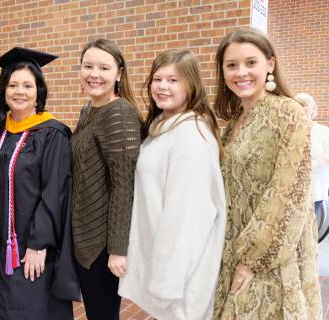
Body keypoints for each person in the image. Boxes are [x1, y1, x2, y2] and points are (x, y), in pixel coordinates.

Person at [213, 28, 323, 319]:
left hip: (271, 259)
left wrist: (252, 260)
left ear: (270, 65)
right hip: (232, 250)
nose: (241, 73)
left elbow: (288, 194)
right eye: (231, 65)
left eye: (251, 63)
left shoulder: (287, 113)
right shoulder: (236, 119)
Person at [118, 49, 226, 320]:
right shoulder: (164, 127)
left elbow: (185, 217)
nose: (162, 87)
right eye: (157, 79)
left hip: (180, 280)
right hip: (165, 271)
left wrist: (166, 283)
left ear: (191, 85)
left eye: (173, 80)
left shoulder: (191, 137)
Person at [0, 47, 80, 319]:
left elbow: (55, 191)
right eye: (12, 85)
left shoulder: (52, 134)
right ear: (3, 90)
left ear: (39, 91)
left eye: (27, 85)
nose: (19, 91)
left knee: (32, 309)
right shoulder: (0, 134)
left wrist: (39, 244)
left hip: (31, 248)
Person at [71, 39, 143, 319]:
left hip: (103, 244)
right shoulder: (88, 111)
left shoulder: (120, 114)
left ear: (119, 73)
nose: (94, 74)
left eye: (104, 67)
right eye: (88, 66)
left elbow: (125, 185)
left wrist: (118, 250)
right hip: (84, 235)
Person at [295, 93, 329, 222]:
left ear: (313, 110)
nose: (301, 109)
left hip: (314, 192)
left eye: (305, 106)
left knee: (308, 230)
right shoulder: (293, 132)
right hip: (293, 192)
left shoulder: (324, 132)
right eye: (298, 106)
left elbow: (327, 159)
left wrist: (304, 167)